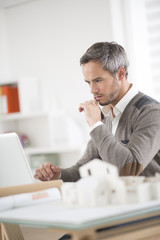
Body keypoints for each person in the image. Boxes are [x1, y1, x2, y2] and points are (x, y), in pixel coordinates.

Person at [34, 41, 160, 182]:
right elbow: (83, 169)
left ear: (120, 73)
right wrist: (59, 175)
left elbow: (128, 170)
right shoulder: (107, 115)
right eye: (88, 82)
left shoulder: (151, 112)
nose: (92, 90)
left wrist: (95, 124)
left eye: (98, 80)